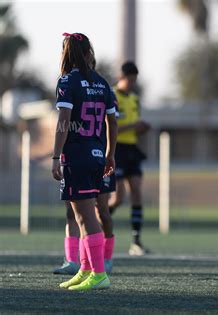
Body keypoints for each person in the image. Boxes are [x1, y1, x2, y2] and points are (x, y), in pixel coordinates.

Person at [52, 32, 117, 290]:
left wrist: (56, 156)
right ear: (89, 51)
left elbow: (64, 120)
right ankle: (86, 268)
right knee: (83, 216)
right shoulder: (103, 83)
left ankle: (99, 274)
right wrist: (111, 153)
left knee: (85, 216)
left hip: (77, 155)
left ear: (66, 53)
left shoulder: (67, 81)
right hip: (98, 155)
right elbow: (112, 121)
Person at [108, 61, 150, 256]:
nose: (132, 83)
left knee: (136, 192)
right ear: (121, 77)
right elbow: (111, 126)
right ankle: (98, 224)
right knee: (117, 198)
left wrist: (141, 128)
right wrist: (134, 126)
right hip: (116, 149)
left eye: (135, 80)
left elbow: (134, 126)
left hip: (132, 149)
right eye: (130, 79)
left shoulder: (134, 99)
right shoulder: (112, 96)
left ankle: (136, 242)